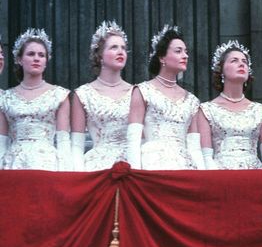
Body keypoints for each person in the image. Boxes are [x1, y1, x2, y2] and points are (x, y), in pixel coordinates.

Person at [127, 25, 202, 170]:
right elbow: (133, 140)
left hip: (186, 167)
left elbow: (194, 147)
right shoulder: (142, 91)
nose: (185, 56)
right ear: (162, 57)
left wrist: (204, 178)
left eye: (186, 52)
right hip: (153, 165)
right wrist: (134, 175)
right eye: (178, 51)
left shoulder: (192, 101)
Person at [197, 40, 262, 169]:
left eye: (244, 62)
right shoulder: (206, 110)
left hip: (254, 175)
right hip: (220, 175)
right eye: (234, 61)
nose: (241, 64)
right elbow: (206, 156)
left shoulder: (261, 111)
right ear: (221, 70)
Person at [0, 28, 71, 170]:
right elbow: (1, 142)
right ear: (19, 59)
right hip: (13, 164)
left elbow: (63, 142)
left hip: (47, 164)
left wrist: (67, 173)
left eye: (41, 55)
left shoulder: (59, 95)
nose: (36, 58)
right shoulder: (5, 98)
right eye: (31, 54)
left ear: (46, 61)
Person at [70, 21, 132, 171]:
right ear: (100, 56)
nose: (120, 52)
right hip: (98, 167)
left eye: (123, 48)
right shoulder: (83, 94)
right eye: (114, 47)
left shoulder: (137, 92)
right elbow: (77, 145)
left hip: (131, 165)